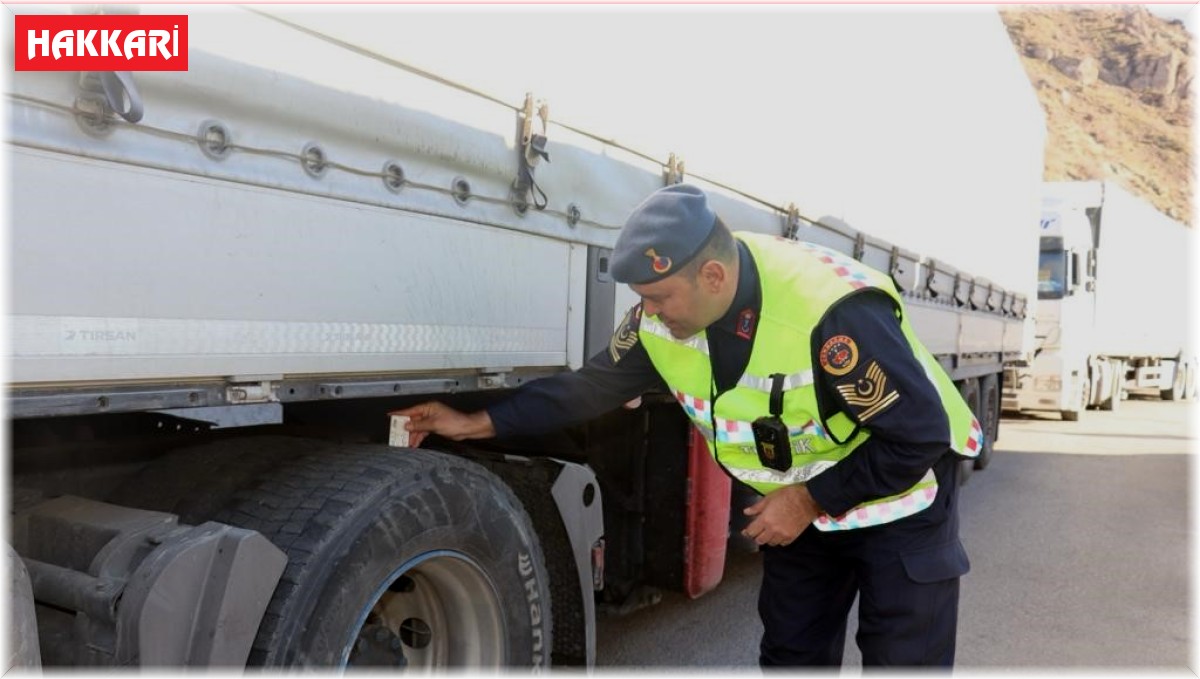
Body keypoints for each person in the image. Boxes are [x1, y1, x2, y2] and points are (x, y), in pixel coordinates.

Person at [395, 184, 982, 668]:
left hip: (900, 500)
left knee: (903, 660)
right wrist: (475, 422)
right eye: (641, 298)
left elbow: (917, 433)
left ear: (714, 279)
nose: (648, 312)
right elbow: (590, 388)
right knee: (792, 654)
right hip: (800, 505)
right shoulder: (661, 322)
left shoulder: (831, 314)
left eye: (657, 296)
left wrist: (809, 499)